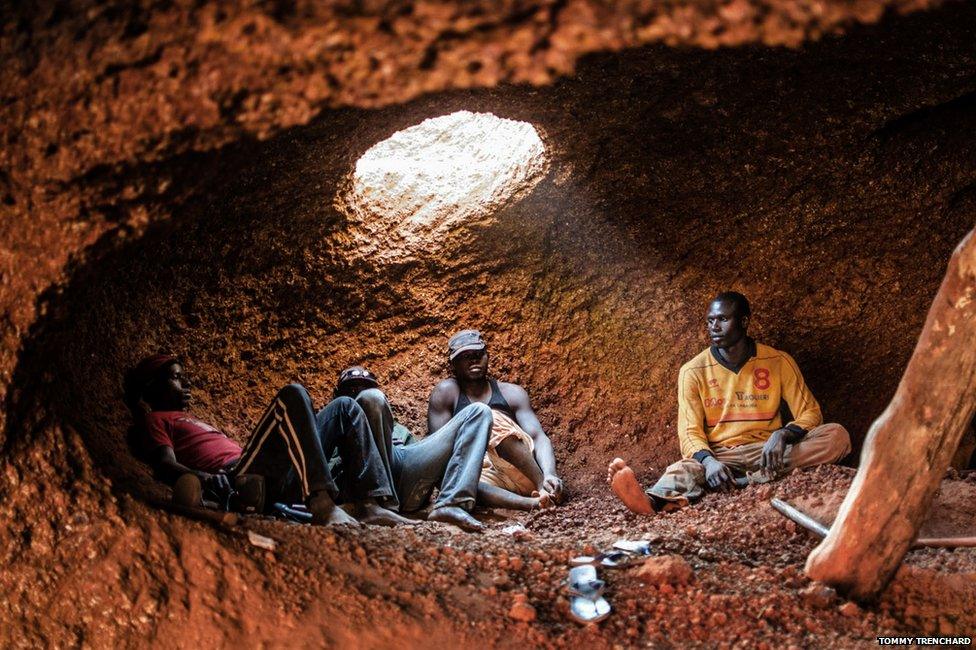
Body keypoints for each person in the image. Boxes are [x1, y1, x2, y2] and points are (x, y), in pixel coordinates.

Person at [608, 292, 851, 514]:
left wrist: (783, 434)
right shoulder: (693, 371)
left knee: (836, 436)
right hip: (720, 456)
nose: (714, 326)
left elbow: (810, 412)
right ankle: (650, 502)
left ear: (744, 322)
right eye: (710, 321)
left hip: (767, 451)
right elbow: (689, 432)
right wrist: (710, 462)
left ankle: (744, 481)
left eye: (723, 319)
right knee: (684, 469)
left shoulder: (777, 361)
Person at [123, 354, 410, 527]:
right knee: (293, 395)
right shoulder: (155, 420)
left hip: (278, 474)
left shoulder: (191, 420)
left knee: (345, 405)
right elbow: (164, 464)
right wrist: (207, 479)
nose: (186, 385)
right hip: (241, 477)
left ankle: (370, 503)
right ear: (153, 386)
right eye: (175, 378)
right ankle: (322, 504)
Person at [329, 365, 495, 532]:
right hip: (357, 486)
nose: (359, 393)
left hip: (402, 480)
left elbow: (432, 473)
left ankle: (452, 505)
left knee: (479, 411)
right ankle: (377, 503)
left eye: (365, 387)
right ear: (337, 396)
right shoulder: (332, 423)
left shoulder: (398, 430)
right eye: (351, 389)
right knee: (370, 398)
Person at [428, 329, 563, 512]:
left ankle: (543, 488)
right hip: (483, 478)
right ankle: (532, 503)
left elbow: (538, 437)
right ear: (453, 364)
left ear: (487, 356)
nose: (473, 360)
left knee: (486, 416)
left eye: (478, 354)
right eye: (465, 356)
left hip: (524, 472)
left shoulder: (511, 393)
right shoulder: (446, 393)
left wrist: (549, 474)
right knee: (453, 478)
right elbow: (439, 451)